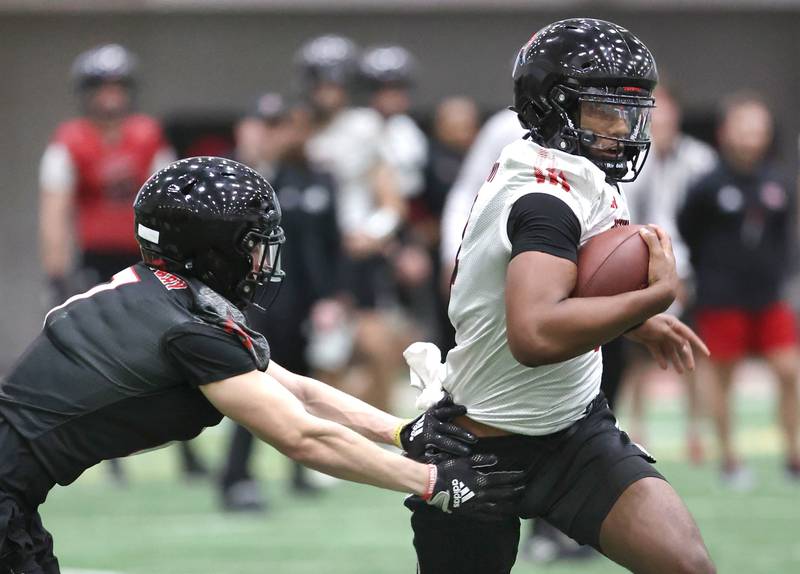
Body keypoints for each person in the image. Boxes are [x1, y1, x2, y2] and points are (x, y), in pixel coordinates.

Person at [0, 157, 524, 573]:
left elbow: (297, 390)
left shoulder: (159, 294)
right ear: (212, 251)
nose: (262, 260)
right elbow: (302, 438)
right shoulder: (189, 330)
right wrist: (433, 481)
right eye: (252, 244)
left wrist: (401, 432)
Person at [403, 19, 715, 574]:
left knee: (687, 566)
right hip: (483, 447)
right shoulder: (546, 197)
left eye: (631, 109)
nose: (624, 126)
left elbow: (563, 285)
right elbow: (536, 334)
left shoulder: (568, 170)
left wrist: (632, 325)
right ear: (553, 107)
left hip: (575, 431)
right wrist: (653, 298)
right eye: (604, 109)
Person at [37, 43, 205, 483]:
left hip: (145, 252)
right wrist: (57, 272)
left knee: (178, 344)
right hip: (95, 257)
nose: (110, 97)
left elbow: (172, 199)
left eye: (116, 86)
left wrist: (181, 258)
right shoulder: (69, 140)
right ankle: (106, 454)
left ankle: (189, 451)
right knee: (101, 355)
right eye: (101, 87)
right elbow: (54, 210)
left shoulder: (147, 133)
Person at [219, 96, 346, 509]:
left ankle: (299, 469)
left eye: (288, 125)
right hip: (257, 302)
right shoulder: (243, 177)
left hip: (304, 303)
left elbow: (330, 244)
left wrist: (330, 298)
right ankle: (236, 477)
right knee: (252, 385)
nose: (282, 134)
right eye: (271, 125)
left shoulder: (317, 179)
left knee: (301, 389)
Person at [678, 93, 800, 486]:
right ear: (726, 132)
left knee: (789, 372)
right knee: (723, 377)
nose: (751, 137)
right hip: (721, 296)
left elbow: (783, 238)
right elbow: (687, 231)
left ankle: (793, 455)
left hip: (769, 296)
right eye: (744, 128)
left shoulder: (778, 182)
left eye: (758, 130)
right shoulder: (706, 186)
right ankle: (730, 459)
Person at [298, 35, 409, 412]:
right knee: (324, 353)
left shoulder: (364, 126)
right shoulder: (297, 128)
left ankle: (382, 435)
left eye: (335, 81)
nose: (328, 90)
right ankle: (324, 440)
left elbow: (391, 198)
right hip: (307, 252)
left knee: (377, 346)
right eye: (321, 80)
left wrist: (373, 233)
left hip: (353, 250)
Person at [622, 84, 718, 463]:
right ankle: (636, 427)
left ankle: (695, 429)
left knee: (693, 349)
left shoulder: (699, 159)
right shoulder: (628, 157)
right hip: (637, 263)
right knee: (636, 355)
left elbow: (708, 221)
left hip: (688, 264)